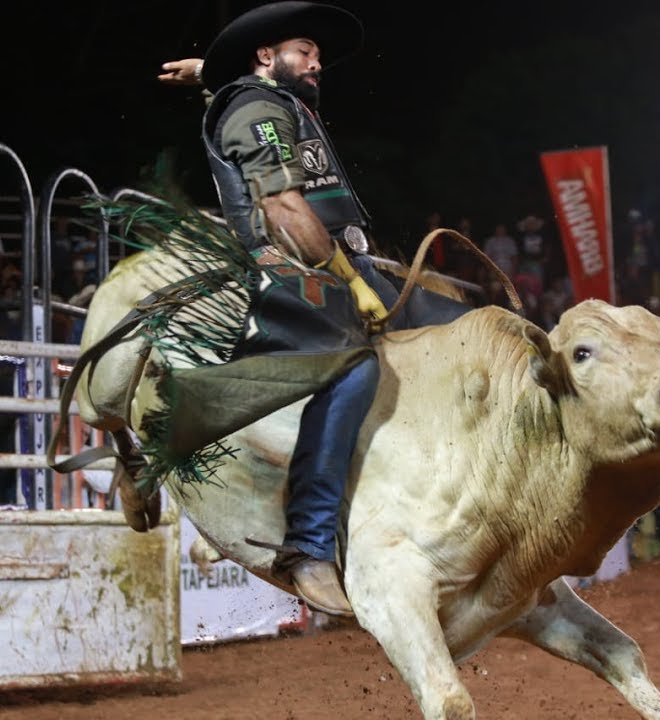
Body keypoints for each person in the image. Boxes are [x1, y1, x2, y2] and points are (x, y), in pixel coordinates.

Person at [157, 1, 470, 616]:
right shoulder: (256, 106)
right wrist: (348, 280)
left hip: (347, 264)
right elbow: (282, 207)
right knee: (351, 369)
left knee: (470, 330)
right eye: (305, 50)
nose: (318, 61)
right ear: (266, 56)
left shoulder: (271, 102)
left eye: (317, 54)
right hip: (294, 272)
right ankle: (309, 543)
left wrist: (212, 74)